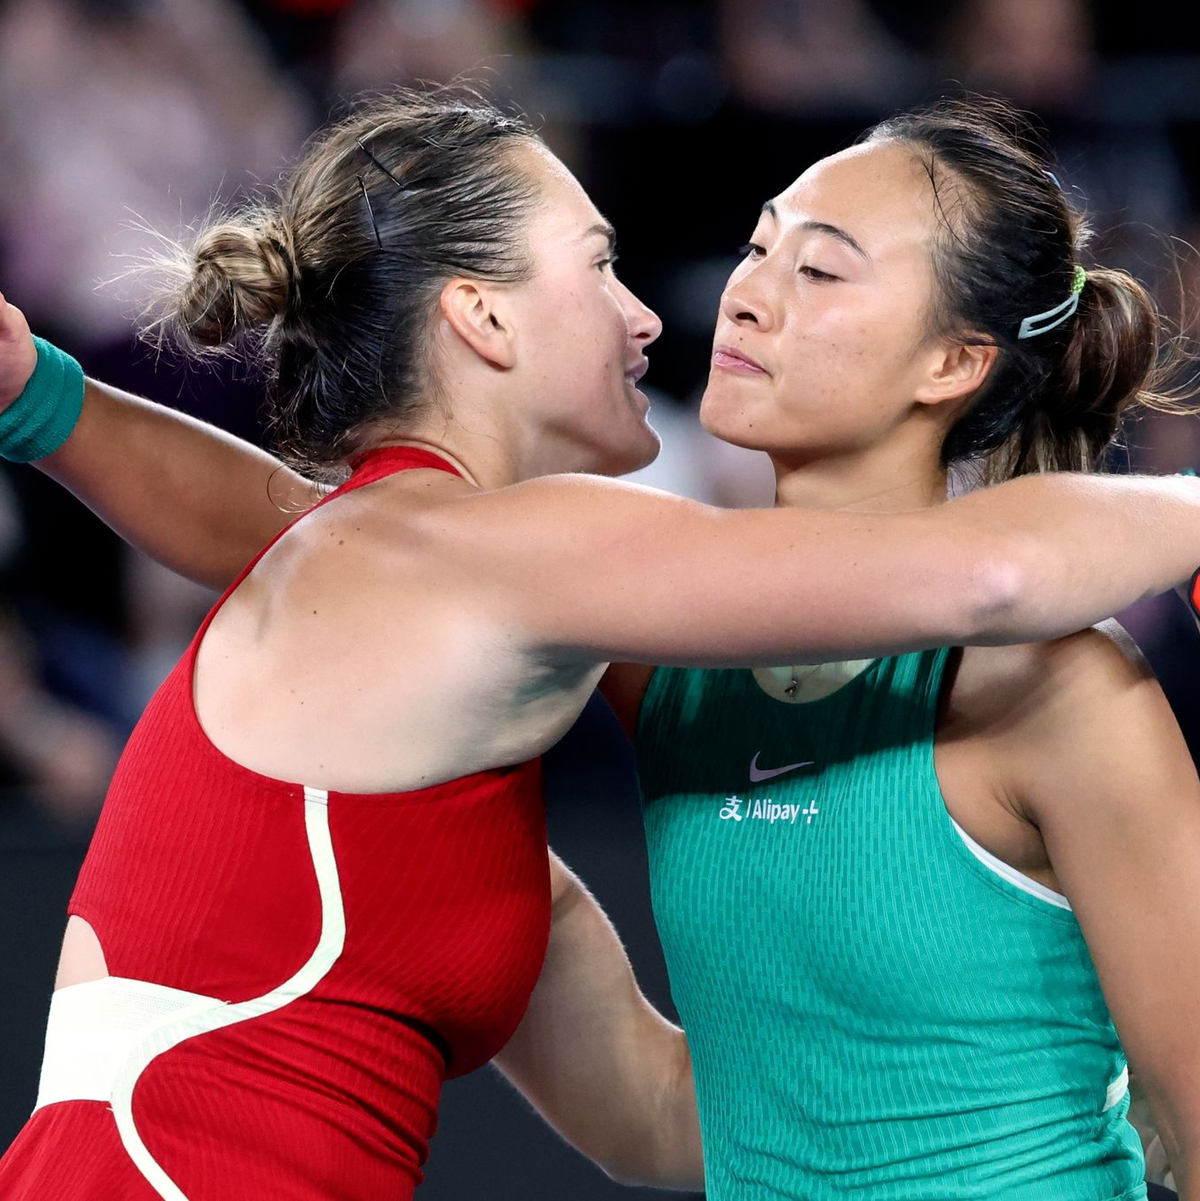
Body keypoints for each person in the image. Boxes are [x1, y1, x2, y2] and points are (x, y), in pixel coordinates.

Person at [3, 89, 1200, 1198]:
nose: (717, 296)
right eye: (755, 244)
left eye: (821, 267)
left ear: (955, 361)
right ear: (477, 315)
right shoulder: (555, 598)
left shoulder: (1063, 687)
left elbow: (676, 1112)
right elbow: (995, 570)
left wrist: (46, 402)